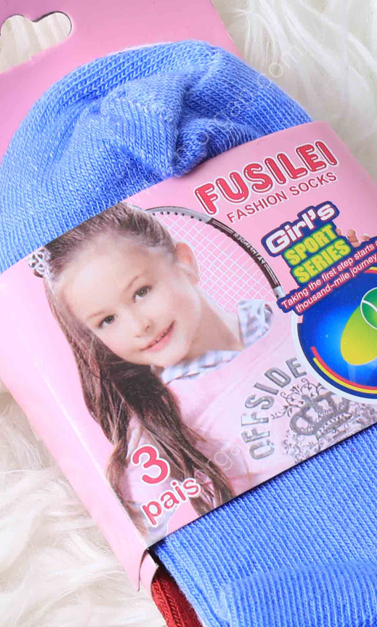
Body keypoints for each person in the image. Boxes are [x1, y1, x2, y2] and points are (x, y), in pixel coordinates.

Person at [32, 203, 270, 522]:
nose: (139, 326)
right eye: (107, 320)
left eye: (141, 292)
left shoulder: (291, 319)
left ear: (184, 263)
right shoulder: (158, 439)